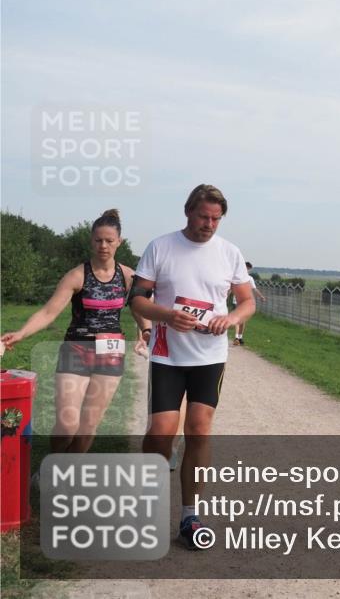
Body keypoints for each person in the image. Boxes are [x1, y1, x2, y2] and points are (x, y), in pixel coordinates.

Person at [129, 184, 255, 550]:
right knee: (161, 433)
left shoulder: (229, 252)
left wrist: (230, 318)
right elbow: (137, 299)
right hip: (168, 354)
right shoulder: (161, 247)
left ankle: (190, 512)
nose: (209, 224)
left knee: (199, 430)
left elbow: (247, 302)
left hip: (209, 355)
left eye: (216, 219)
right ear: (188, 212)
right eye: (204, 216)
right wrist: (168, 314)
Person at [0, 209, 150, 454]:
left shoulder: (128, 276)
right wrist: (21, 333)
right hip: (76, 351)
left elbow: (139, 308)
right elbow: (49, 312)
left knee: (88, 425)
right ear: (91, 241)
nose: (103, 245)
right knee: (67, 424)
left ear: (119, 242)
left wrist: (145, 329)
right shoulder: (78, 275)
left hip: (110, 354)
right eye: (98, 240)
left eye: (109, 241)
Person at [232, 261, 265, 346]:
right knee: (238, 319)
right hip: (237, 300)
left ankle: (240, 337)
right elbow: (230, 288)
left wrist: (261, 296)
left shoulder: (249, 279)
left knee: (243, 320)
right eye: (246, 268)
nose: (247, 270)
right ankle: (236, 337)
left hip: (246, 302)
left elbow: (254, 289)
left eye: (248, 269)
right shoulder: (237, 277)